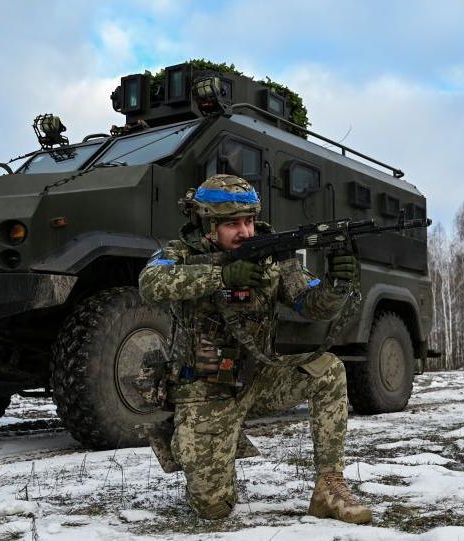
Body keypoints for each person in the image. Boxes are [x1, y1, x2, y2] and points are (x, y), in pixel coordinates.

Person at [137, 174, 371, 523]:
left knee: (328, 369)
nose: (245, 232)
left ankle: (329, 486)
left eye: (248, 221)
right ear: (206, 225)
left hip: (260, 380)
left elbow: (311, 304)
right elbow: (150, 283)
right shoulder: (181, 252)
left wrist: (338, 283)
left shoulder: (270, 255)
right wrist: (222, 276)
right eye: (233, 224)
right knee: (214, 509)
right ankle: (201, 442)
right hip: (206, 390)